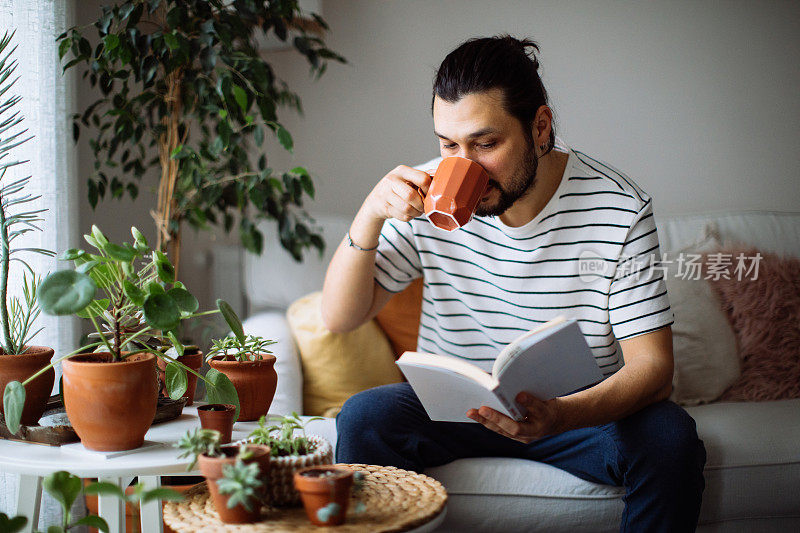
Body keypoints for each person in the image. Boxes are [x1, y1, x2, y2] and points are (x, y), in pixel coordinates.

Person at [321, 35, 706, 532]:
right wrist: (371, 212)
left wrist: (561, 416)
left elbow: (654, 368)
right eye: (448, 145)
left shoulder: (619, 208)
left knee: (670, 438)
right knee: (363, 416)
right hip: (452, 409)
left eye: (486, 144)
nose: (463, 167)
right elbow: (339, 316)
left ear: (539, 127)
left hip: (575, 414)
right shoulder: (428, 191)